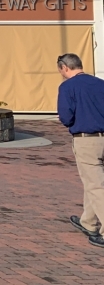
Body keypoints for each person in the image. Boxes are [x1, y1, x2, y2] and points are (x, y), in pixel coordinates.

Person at [57, 53, 104, 248]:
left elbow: (66, 116)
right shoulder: (100, 84)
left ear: (64, 68)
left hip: (87, 140)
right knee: (92, 182)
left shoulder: (67, 87)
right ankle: (89, 222)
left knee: (96, 185)